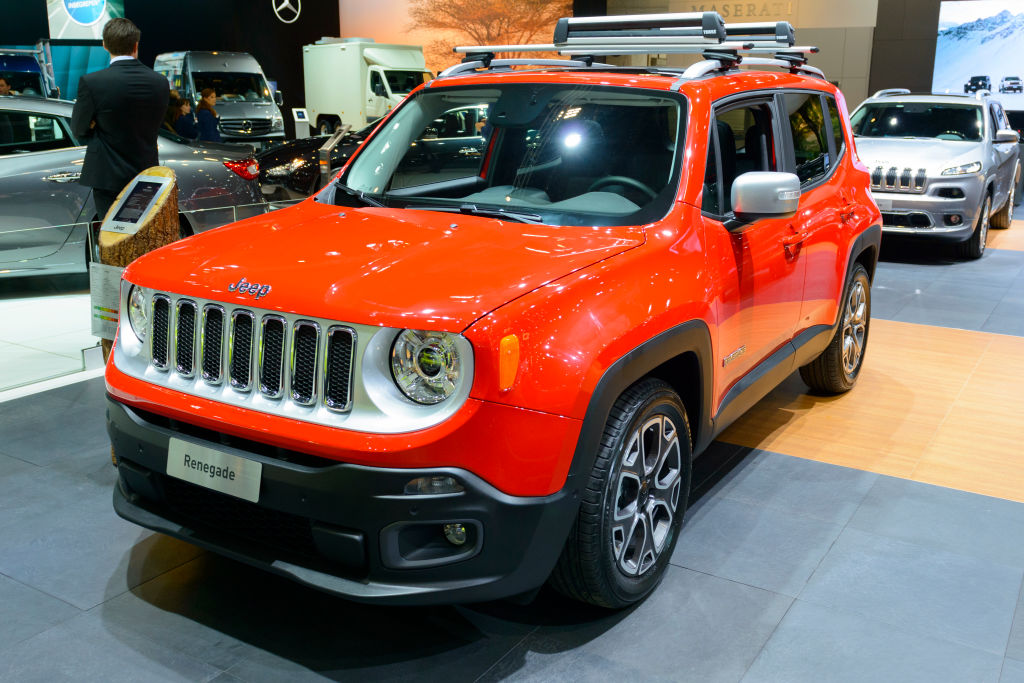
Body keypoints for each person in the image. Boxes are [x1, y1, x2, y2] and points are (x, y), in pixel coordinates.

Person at [71, 18, 168, 220]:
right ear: (136, 44)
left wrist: (95, 128)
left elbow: (79, 129)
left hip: (108, 178)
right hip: (146, 174)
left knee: (114, 239)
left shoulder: (92, 83)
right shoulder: (160, 82)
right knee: (142, 236)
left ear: (104, 45)